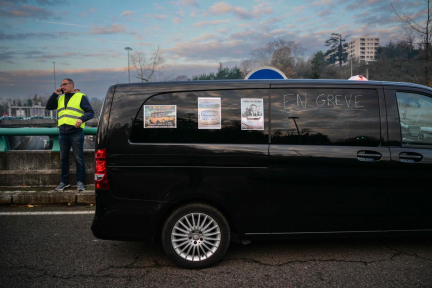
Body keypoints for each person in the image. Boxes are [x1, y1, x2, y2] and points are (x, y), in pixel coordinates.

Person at [46, 78, 94, 191]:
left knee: (79, 158)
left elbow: (90, 112)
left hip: (76, 132)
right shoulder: (60, 98)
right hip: (63, 133)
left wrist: (81, 119)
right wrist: (55, 94)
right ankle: (64, 182)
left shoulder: (80, 96)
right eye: (61, 85)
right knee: (64, 159)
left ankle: (80, 182)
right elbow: (48, 106)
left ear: (72, 85)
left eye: (65, 84)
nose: (63, 87)